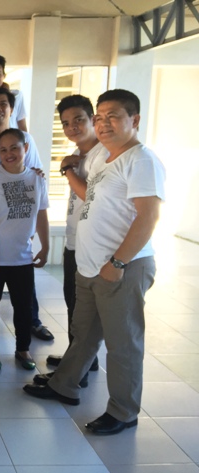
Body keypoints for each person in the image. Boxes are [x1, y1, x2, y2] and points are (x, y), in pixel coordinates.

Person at [24, 89, 165, 436]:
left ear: (135, 119)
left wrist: (117, 263)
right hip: (91, 266)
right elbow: (92, 198)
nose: (103, 124)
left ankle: (123, 411)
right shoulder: (105, 159)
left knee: (122, 345)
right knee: (84, 334)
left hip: (121, 268)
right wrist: (69, 170)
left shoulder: (141, 160)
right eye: (100, 117)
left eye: (112, 116)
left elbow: (148, 217)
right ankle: (64, 385)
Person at [0, 87, 53, 342]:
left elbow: (41, 211)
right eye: (3, 150)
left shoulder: (35, 176)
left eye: (14, 148)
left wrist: (45, 245)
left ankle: (23, 347)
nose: (9, 154)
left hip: (21, 254)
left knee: (24, 304)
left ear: (24, 147)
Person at [45, 94, 107, 382]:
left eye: (79, 120)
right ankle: (79, 359)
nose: (72, 127)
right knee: (73, 304)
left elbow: (89, 196)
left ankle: (77, 370)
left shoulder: (102, 155)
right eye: (66, 123)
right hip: (75, 242)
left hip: (90, 246)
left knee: (84, 311)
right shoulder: (80, 154)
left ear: (93, 119)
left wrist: (67, 169)